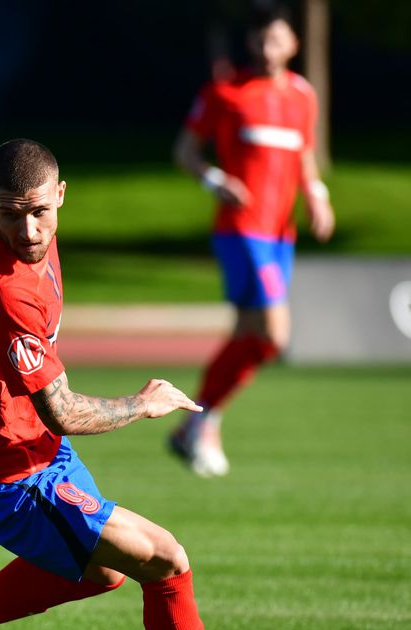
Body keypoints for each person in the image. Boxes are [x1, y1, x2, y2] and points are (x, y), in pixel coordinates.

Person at [0, 139, 298, 630]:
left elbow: (50, 420)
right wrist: (144, 403)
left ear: (60, 195)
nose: (28, 229)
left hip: (31, 447)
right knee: (165, 558)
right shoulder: (6, 292)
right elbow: (65, 412)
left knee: (102, 570)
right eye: (11, 213)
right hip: (7, 473)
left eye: (38, 211)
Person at [169, 6, 334, 477]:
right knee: (275, 335)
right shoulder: (226, 92)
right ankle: (204, 419)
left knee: (250, 337)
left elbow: (304, 156)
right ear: (251, 44)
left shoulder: (303, 96)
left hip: (281, 233)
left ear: (293, 44)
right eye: (260, 40)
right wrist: (214, 179)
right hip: (241, 229)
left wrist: (317, 196)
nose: (267, 50)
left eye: (276, 40)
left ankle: (199, 422)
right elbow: (184, 151)